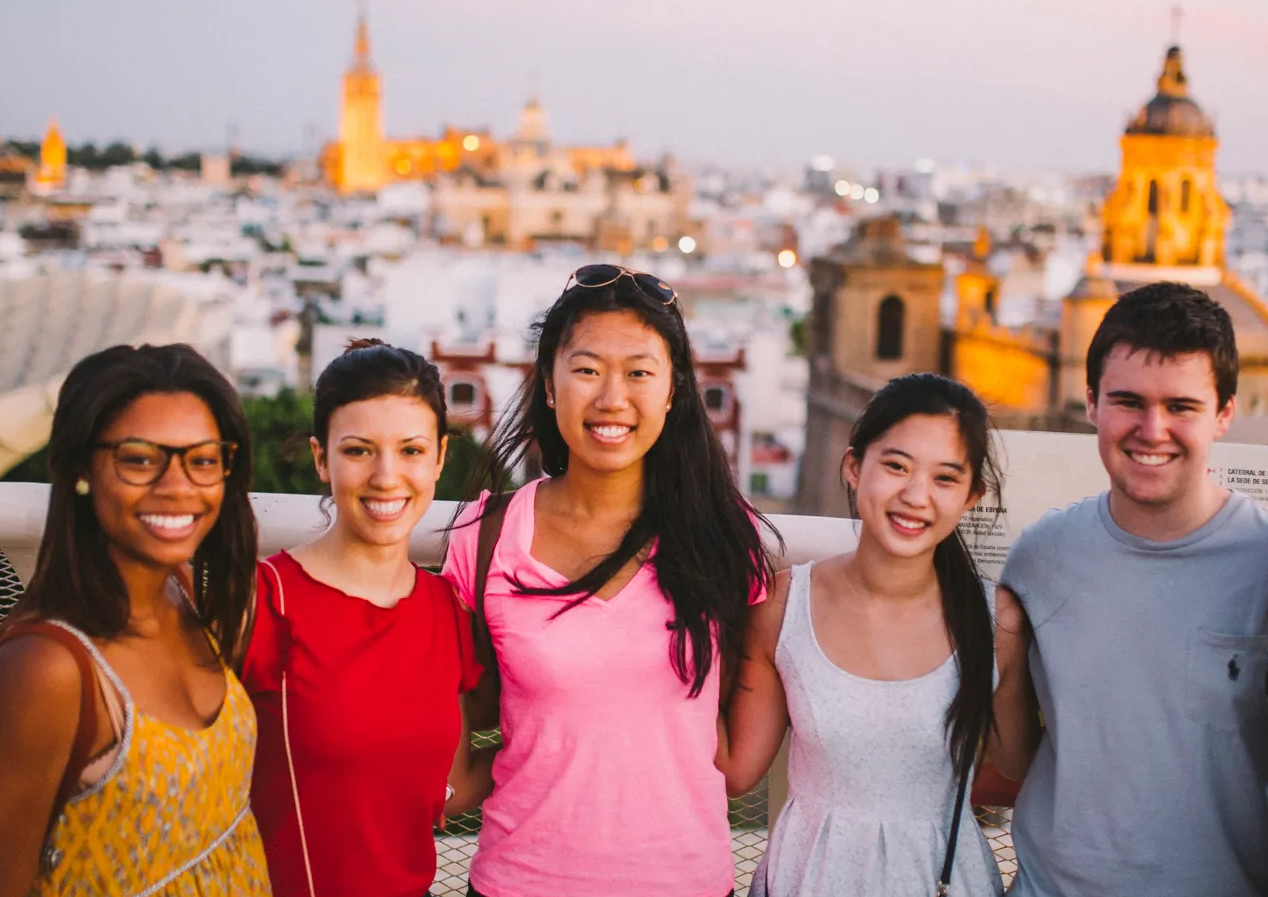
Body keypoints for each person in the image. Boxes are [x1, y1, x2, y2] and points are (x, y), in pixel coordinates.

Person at [443, 263, 775, 897]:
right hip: (519, 882)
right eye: (588, 369)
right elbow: (473, 711)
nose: (612, 399)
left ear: (674, 390)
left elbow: (732, 732)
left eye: (640, 373)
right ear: (548, 385)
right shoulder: (484, 538)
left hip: (685, 882)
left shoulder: (724, 539)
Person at [993, 283, 1268, 896]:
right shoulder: (1042, 557)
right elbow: (1012, 757)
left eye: (1181, 406)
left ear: (1225, 413)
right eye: (1128, 401)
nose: (1151, 429)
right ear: (1092, 404)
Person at [0, 344, 269, 896]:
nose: (177, 487)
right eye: (140, 458)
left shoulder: (191, 596)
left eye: (202, 459)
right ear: (82, 469)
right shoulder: (48, 668)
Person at [719, 372, 1030, 897]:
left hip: (942, 880)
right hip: (806, 878)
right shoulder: (780, 605)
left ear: (973, 495)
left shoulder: (996, 621)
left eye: (945, 478)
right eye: (896, 466)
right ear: (853, 466)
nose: (915, 495)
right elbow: (738, 770)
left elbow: (1024, 770)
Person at [242, 339, 487, 897]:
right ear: (320, 459)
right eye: (357, 450)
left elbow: (451, 785)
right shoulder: (263, 600)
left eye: (410, 450)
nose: (385, 476)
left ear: (440, 458)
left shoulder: (445, 609)